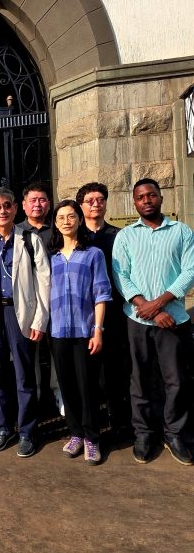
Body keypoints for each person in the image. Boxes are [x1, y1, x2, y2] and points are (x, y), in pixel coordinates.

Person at [112, 178, 194, 466]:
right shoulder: (125, 236)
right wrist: (147, 307)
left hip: (174, 319)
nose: (146, 200)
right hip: (138, 320)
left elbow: (190, 270)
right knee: (140, 380)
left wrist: (159, 304)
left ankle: (175, 434)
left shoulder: (181, 232)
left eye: (151, 195)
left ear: (161, 198)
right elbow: (121, 276)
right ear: (134, 203)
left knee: (176, 381)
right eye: (140, 197)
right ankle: (144, 434)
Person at [0, 187, 50, 458]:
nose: (2, 211)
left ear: (16, 208)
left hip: (22, 317)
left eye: (7, 205)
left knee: (24, 376)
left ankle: (28, 430)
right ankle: (4, 428)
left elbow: (44, 283)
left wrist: (40, 320)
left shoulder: (29, 239)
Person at [48, 200, 111, 466]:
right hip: (59, 331)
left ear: (79, 219)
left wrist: (98, 330)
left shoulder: (93, 254)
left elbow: (102, 293)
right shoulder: (51, 257)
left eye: (71, 216)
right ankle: (75, 433)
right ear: (55, 222)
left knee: (87, 386)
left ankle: (92, 438)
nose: (66, 221)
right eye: (60, 217)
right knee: (68, 385)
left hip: (85, 331)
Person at [76, 182, 131, 438]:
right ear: (81, 206)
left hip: (115, 312)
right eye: (90, 200)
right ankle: (92, 426)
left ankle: (119, 421)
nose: (96, 203)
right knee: (88, 374)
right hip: (83, 314)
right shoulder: (75, 237)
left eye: (100, 199)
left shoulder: (119, 235)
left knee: (116, 371)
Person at [17, 183, 63, 417]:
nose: (38, 204)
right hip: (25, 302)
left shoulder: (58, 230)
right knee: (28, 349)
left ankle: (57, 390)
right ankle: (32, 392)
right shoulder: (15, 233)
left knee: (56, 347)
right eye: (33, 200)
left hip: (55, 300)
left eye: (42, 200)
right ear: (23, 205)